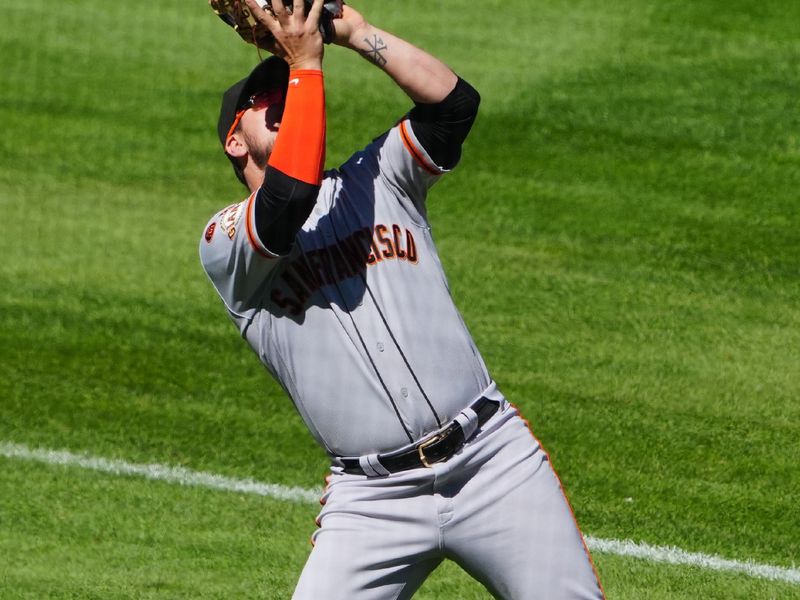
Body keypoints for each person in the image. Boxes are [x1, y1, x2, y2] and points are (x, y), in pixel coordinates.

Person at [199, 0, 605, 598]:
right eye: (267, 94)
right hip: (372, 502)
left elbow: (453, 107)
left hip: (491, 460)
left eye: (290, 84)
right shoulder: (225, 243)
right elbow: (286, 200)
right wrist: (305, 64)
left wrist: (352, 32)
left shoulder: (378, 176)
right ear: (236, 140)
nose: (285, 92)